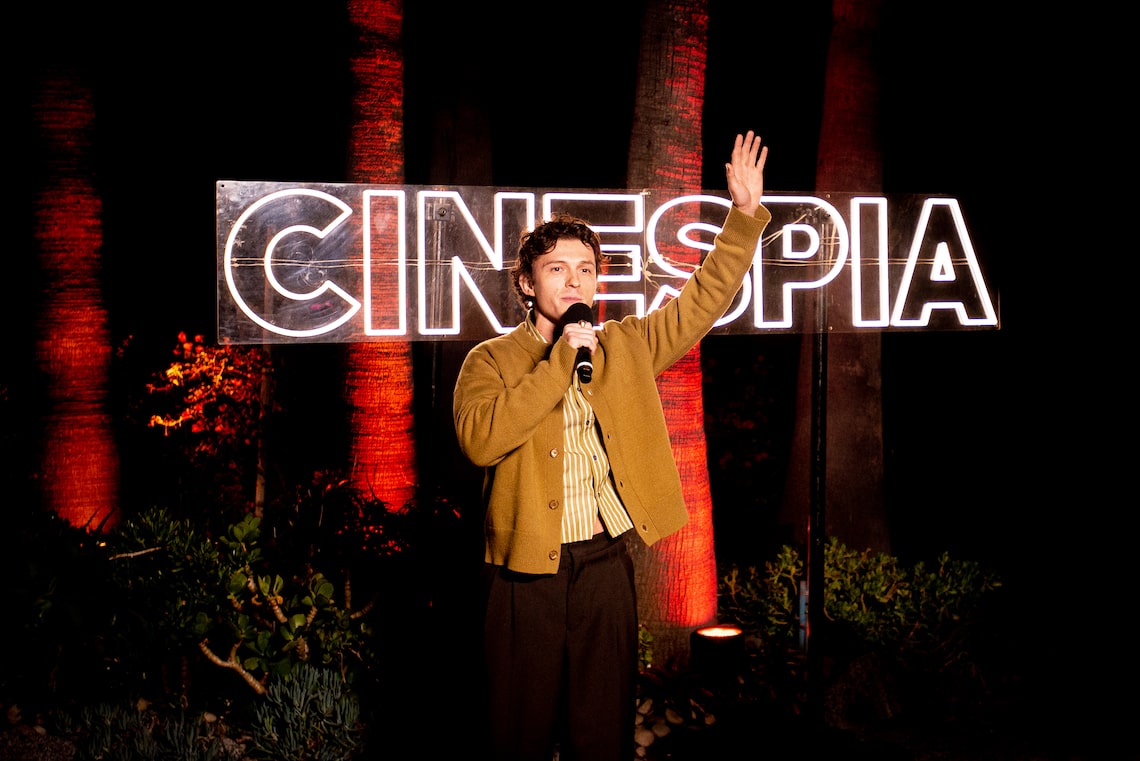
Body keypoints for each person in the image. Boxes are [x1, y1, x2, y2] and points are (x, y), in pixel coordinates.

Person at [452, 131, 770, 761]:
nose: (575, 281)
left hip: (604, 565)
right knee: (515, 735)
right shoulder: (489, 360)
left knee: (602, 735)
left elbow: (701, 301)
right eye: (556, 269)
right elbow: (481, 441)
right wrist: (558, 365)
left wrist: (743, 217)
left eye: (586, 270)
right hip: (522, 578)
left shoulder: (624, 344)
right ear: (526, 284)